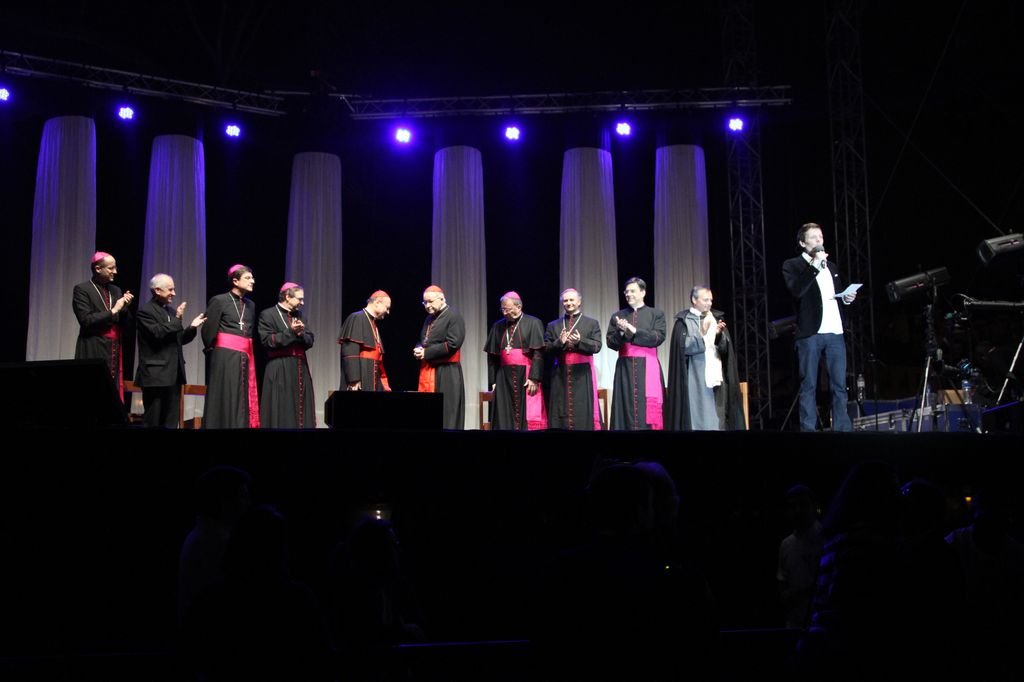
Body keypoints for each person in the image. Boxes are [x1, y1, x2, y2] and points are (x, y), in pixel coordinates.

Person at [782, 222, 857, 432]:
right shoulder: (793, 265)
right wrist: (814, 265)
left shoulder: (831, 266)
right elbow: (796, 291)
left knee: (840, 384)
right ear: (802, 243)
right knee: (809, 384)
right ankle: (808, 429)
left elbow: (836, 294)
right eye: (813, 237)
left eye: (820, 237)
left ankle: (842, 428)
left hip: (835, 331)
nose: (818, 241)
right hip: (810, 332)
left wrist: (847, 298)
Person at [665, 286, 746, 430]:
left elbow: (725, 351)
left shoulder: (716, 318)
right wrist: (702, 332)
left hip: (716, 376)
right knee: (697, 416)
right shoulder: (683, 322)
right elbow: (685, 348)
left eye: (711, 300)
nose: (709, 303)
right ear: (694, 300)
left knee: (718, 417)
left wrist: (719, 335)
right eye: (705, 300)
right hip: (695, 375)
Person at [134, 273, 206, 428]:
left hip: (174, 375)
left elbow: (178, 339)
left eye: (174, 289)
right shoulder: (145, 311)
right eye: (170, 290)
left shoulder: (171, 312)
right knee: (154, 420)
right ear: (157, 290)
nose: (174, 293)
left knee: (171, 422)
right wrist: (177, 319)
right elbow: (157, 333)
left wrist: (192, 327)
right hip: (156, 376)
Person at [202, 264, 259, 428]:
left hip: (244, 356)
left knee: (242, 395)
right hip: (224, 356)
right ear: (235, 281)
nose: (252, 281)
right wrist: (214, 353)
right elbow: (208, 331)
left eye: (252, 277)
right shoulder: (219, 300)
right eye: (248, 278)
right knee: (225, 394)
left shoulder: (251, 305)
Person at [606, 277, 666, 430]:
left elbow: (658, 338)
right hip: (625, 369)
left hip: (648, 367)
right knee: (625, 406)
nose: (628, 294)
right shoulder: (617, 316)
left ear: (643, 292)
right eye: (626, 291)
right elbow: (610, 344)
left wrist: (634, 331)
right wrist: (620, 332)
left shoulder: (656, 314)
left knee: (647, 409)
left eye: (632, 291)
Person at [72, 251, 134, 396]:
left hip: (113, 347)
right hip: (92, 346)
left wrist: (124, 308)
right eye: (111, 268)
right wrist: (114, 311)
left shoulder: (116, 290)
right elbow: (86, 320)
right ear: (98, 269)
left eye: (115, 267)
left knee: (111, 391)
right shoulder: (82, 289)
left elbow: (126, 323)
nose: (115, 272)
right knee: (92, 388)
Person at [483, 291, 547, 430]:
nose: (504, 312)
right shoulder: (497, 326)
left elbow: (538, 353)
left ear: (518, 307)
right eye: (502, 309)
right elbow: (492, 356)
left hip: (526, 374)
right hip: (503, 377)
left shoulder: (533, 323)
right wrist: (493, 381)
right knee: (503, 415)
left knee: (526, 415)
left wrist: (534, 378)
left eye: (507, 309)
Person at [544, 287, 603, 430]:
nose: (568, 303)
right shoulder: (553, 325)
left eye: (572, 300)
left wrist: (579, 342)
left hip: (582, 374)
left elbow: (597, 346)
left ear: (579, 302)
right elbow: (545, 348)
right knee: (560, 409)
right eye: (565, 300)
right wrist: (560, 342)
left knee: (582, 410)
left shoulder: (591, 323)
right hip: (560, 374)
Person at [258, 282, 315, 428]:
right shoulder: (268, 314)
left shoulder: (300, 316)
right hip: (279, 367)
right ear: (287, 297)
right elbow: (267, 341)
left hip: (300, 367)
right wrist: (290, 332)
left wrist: (301, 334)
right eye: (299, 299)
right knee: (282, 406)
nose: (302, 303)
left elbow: (310, 340)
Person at [414, 285, 466, 429]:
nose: (427, 305)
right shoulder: (429, 319)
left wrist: (426, 353)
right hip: (429, 369)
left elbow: (453, 344)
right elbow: (425, 340)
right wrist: (419, 348)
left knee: (447, 412)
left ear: (442, 299)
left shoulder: (454, 316)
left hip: (447, 371)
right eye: (424, 302)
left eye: (430, 301)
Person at [338, 290, 391, 391]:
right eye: (387, 308)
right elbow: (350, 351)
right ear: (377, 302)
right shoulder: (356, 317)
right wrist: (354, 379)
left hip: (372, 373)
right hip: (361, 375)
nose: (388, 312)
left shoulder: (373, 323)